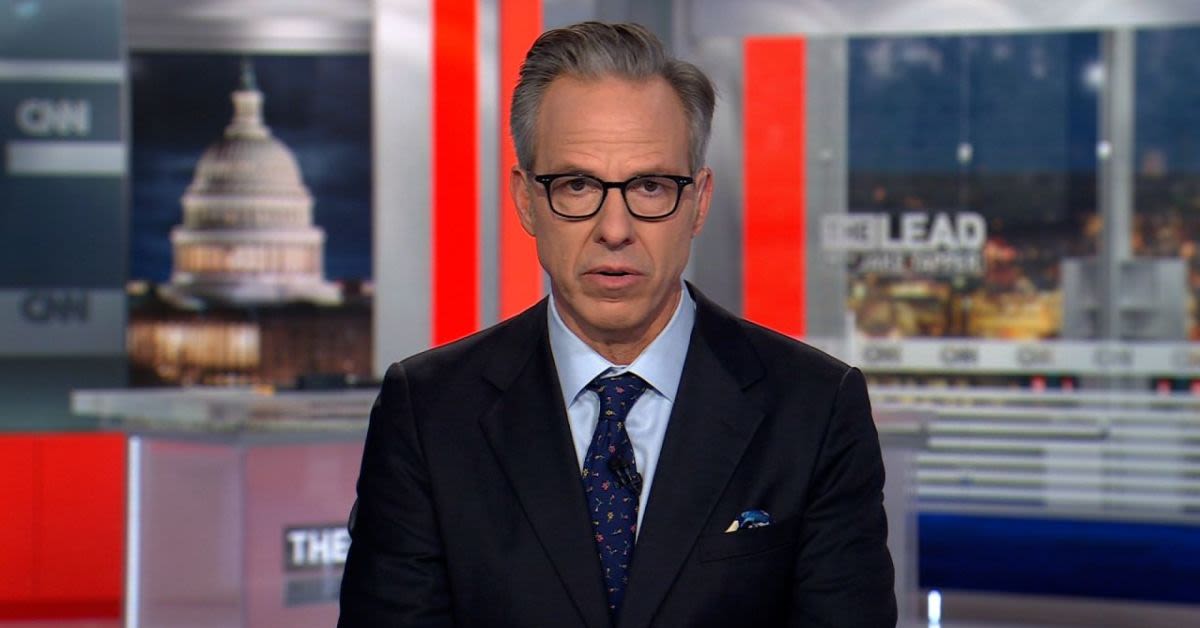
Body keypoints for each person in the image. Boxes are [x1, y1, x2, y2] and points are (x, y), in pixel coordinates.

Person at [339, 21, 896, 627]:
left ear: (698, 202)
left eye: (650, 186)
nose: (614, 229)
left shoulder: (815, 408)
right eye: (577, 185)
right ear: (526, 200)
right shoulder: (427, 411)